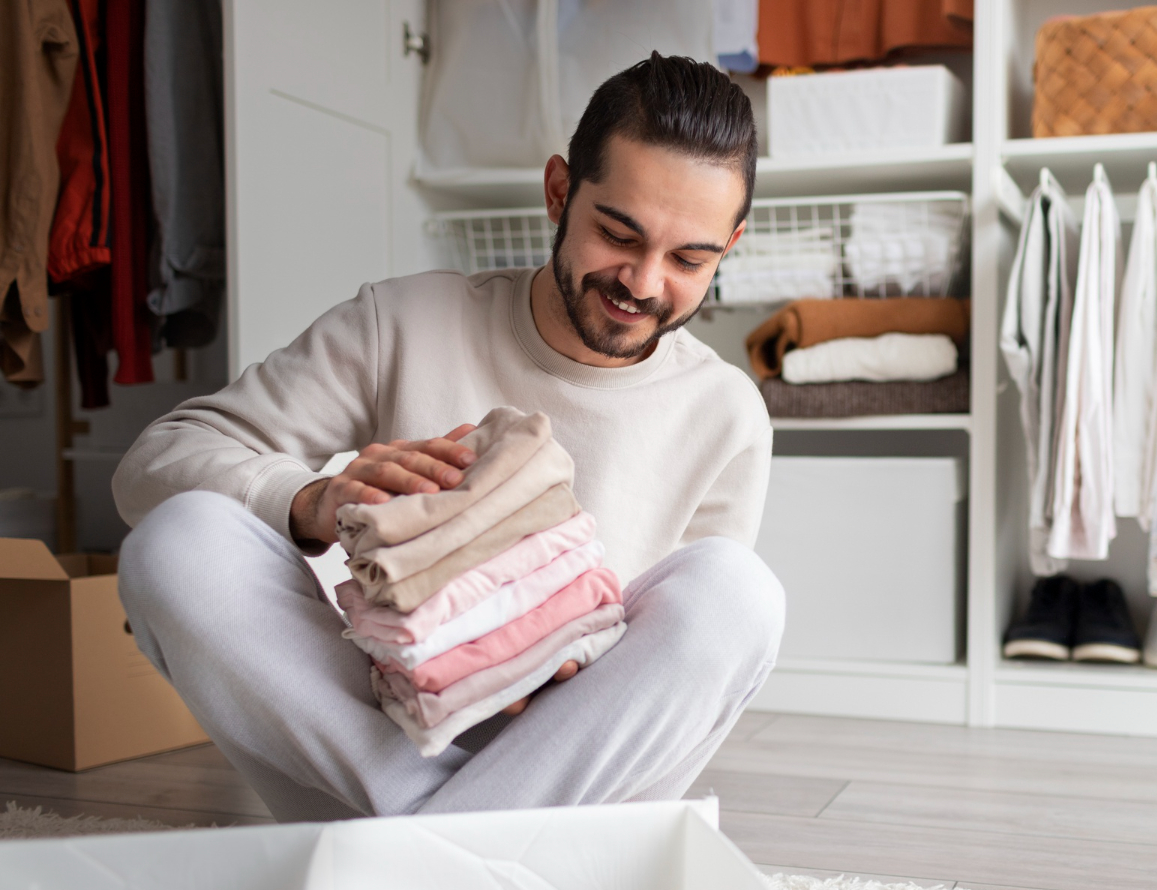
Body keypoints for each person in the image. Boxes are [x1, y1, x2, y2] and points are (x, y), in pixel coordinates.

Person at [112, 54, 782, 822]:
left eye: (688, 258)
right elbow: (151, 465)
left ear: (728, 247)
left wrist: (563, 652)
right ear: (560, 191)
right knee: (178, 541)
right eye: (618, 234)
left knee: (740, 595)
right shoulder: (399, 324)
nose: (643, 281)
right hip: (382, 742)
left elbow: (673, 674)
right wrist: (309, 500)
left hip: (571, 770)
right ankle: (462, 846)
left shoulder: (726, 412)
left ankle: (418, 847)